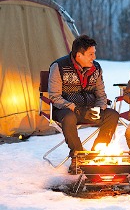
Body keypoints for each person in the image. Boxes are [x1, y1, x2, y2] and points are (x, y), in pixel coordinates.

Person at [48, 34, 119, 174]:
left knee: (112, 115)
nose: (94, 57)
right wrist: (77, 109)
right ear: (79, 55)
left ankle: (96, 153)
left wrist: (100, 108)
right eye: (90, 54)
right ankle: (78, 155)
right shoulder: (59, 67)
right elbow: (55, 97)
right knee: (69, 118)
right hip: (66, 110)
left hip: (91, 109)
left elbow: (101, 94)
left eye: (94, 53)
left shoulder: (96, 69)